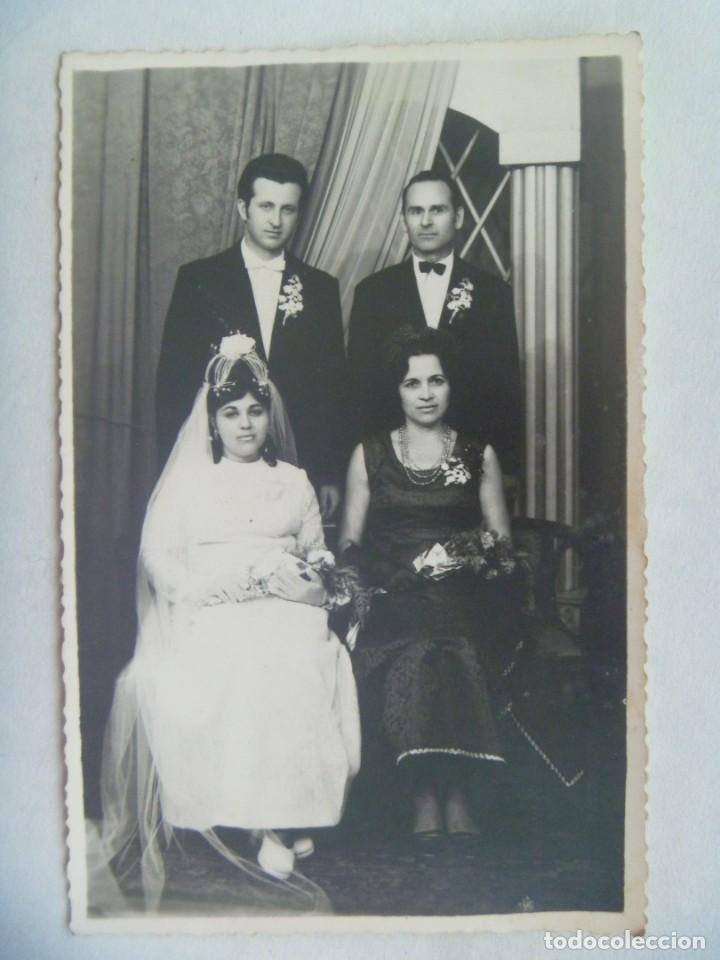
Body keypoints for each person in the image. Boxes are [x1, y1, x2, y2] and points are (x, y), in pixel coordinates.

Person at [101, 335, 360, 909]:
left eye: (256, 410)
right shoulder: (190, 481)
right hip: (210, 604)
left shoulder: (293, 481)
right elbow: (157, 556)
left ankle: (282, 814)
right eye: (231, 413)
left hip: (284, 604)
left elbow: (318, 553)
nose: (246, 424)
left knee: (296, 645)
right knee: (242, 649)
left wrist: (310, 580)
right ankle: (259, 817)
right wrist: (205, 590)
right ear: (213, 421)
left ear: (271, 414)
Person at [339, 328, 526, 842]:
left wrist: (463, 559)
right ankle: (428, 794)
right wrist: (392, 578)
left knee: (450, 638)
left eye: (436, 380)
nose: (425, 393)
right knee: (425, 644)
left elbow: (500, 543)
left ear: (451, 387)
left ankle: (458, 792)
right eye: (412, 382)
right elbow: (350, 545)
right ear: (395, 391)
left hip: (463, 593)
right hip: (393, 595)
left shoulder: (477, 453)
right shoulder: (370, 453)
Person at [157, 152, 347, 518]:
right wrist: (178, 470)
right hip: (216, 464)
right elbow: (173, 384)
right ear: (243, 208)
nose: (276, 221)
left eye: (288, 209)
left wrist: (330, 474)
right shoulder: (199, 280)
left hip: (297, 466)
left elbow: (333, 391)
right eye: (266, 206)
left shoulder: (320, 288)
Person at [348, 170, 522, 479]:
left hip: (471, 462)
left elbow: (505, 388)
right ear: (404, 220)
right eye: (416, 211)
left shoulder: (493, 293)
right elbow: (360, 388)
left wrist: (506, 471)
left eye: (437, 210)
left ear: (458, 216)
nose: (425, 221)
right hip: (392, 465)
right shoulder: (372, 293)